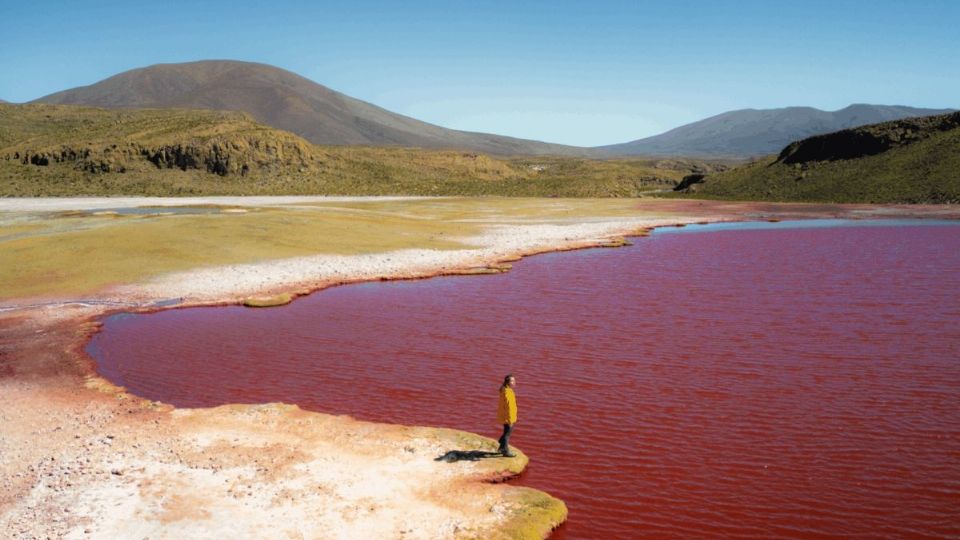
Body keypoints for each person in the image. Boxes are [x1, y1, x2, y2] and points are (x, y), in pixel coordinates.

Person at [496, 374, 518, 457]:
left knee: (506, 432)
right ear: (508, 382)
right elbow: (509, 407)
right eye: (512, 381)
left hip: (505, 415)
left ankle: (501, 446)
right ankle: (505, 451)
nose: (514, 382)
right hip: (508, 416)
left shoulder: (505, 389)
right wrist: (510, 420)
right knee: (507, 433)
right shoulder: (507, 392)